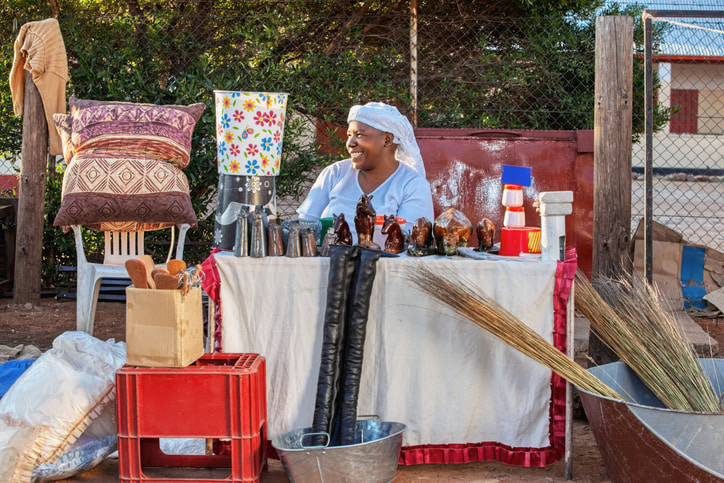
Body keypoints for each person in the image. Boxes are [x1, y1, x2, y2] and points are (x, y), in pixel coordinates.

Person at [297, 102, 434, 241]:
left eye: (359, 135)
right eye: (349, 135)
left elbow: (411, 241)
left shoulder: (413, 185)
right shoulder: (335, 173)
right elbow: (305, 226)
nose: (350, 143)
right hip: (329, 254)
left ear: (387, 140)